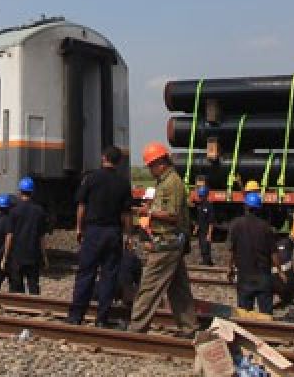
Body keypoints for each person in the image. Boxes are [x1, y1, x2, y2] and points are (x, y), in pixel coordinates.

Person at [130, 142, 196, 335]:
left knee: (150, 285)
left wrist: (147, 212)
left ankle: (136, 328)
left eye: (151, 166)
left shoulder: (171, 183)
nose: (150, 170)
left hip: (167, 242)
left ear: (160, 163)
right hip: (171, 241)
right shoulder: (165, 182)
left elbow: (172, 215)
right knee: (178, 289)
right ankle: (189, 327)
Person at [66, 146, 133, 327]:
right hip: (113, 232)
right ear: (119, 162)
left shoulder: (91, 178)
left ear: (103, 158)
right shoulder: (123, 183)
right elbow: (127, 214)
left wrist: (79, 228)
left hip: (93, 231)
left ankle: (76, 316)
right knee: (109, 276)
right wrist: (128, 236)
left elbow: (82, 206)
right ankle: (102, 318)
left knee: (86, 273)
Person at [227, 191, 281, 315]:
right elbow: (274, 253)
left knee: (244, 314)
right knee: (266, 314)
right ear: (259, 208)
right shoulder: (266, 227)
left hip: (244, 276)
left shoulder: (236, 225)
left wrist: (229, 269)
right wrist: (280, 271)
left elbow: (231, 251)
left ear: (245, 206)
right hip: (263, 276)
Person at [3, 177, 48, 295]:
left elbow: (9, 236)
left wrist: (5, 257)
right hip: (33, 255)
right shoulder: (39, 211)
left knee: (16, 286)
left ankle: (19, 308)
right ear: (33, 192)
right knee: (33, 284)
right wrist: (44, 256)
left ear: (20, 191)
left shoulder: (13, 211)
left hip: (17, 255)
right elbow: (41, 237)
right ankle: (34, 307)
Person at [191, 184, 216, 266]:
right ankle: (205, 260)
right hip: (201, 229)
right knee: (202, 245)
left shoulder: (209, 206)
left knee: (206, 246)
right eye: (200, 196)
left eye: (202, 196)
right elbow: (198, 219)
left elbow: (211, 221)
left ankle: (208, 261)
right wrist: (196, 228)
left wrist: (209, 233)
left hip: (206, 229)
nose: (200, 197)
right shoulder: (199, 206)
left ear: (205, 195)